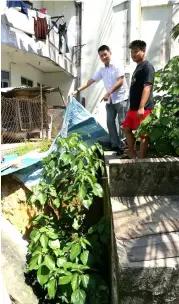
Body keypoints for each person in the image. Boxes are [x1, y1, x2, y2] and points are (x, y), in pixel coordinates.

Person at [72, 45, 129, 155]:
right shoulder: (102, 70)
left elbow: (120, 81)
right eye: (101, 56)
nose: (103, 57)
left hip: (121, 99)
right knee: (110, 123)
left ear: (110, 53)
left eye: (105, 54)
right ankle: (114, 144)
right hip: (110, 101)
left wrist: (108, 93)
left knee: (123, 124)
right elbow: (91, 81)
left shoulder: (117, 65)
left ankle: (123, 147)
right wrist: (77, 90)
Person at [122, 40, 155, 159]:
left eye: (136, 51)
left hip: (144, 108)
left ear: (143, 51)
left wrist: (141, 107)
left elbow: (147, 87)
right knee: (126, 128)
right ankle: (131, 152)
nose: (133, 55)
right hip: (133, 108)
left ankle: (141, 159)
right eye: (132, 52)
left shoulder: (147, 67)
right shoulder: (138, 67)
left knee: (143, 134)